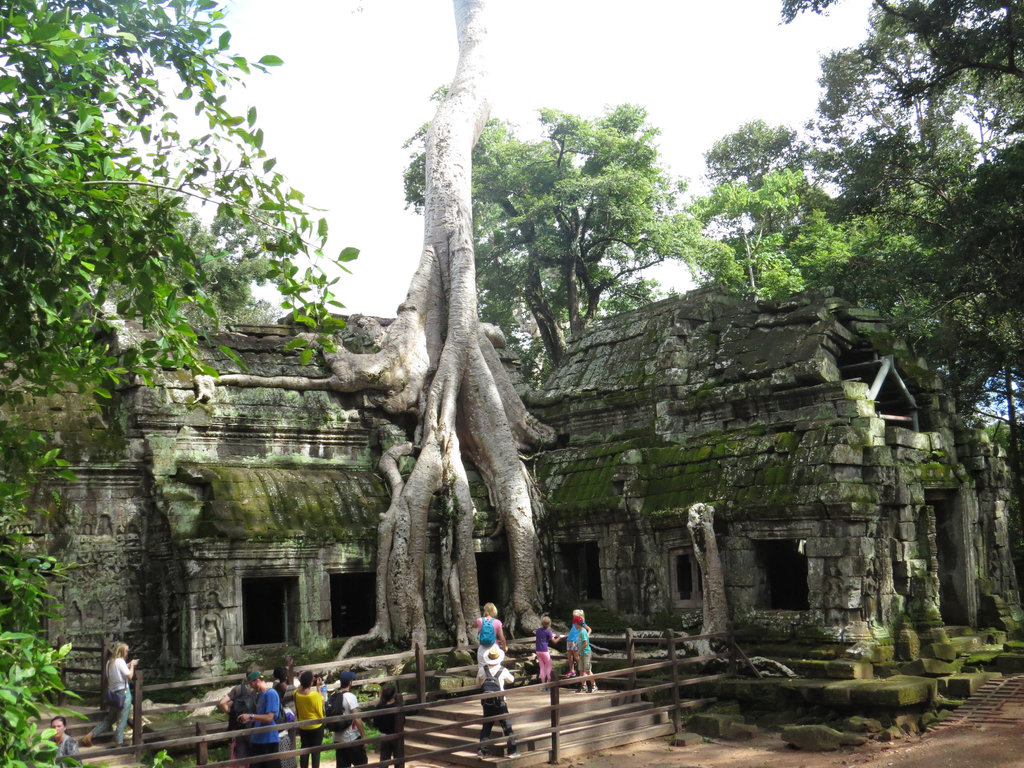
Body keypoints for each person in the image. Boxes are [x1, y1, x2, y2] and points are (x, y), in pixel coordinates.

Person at [80, 641, 137, 747]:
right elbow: (129, 676)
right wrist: (132, 665)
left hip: (113, 694)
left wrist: (128, 664)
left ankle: (90, 735)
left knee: (110, 719)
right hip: (123, 694)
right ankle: (118, 743)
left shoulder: (110, 662)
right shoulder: (120, 661)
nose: (127, 653)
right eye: (126, 651)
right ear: (122, 651)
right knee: (122, 719)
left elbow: (119, 670)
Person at [476, 645, 518, 758]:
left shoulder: (482, 669)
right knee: (507, 725)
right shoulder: (503, 670)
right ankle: (512, 751)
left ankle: (483, 750)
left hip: (487, 702)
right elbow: (511, 680)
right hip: (500, 702)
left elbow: (478, 683)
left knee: (487, 726)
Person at [218, 668, 261, 767]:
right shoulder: (258, 689)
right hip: (254, 726)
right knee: (254, 756)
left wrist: (230, 712)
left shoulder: (237, 689)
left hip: (239, 727)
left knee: (240, 756)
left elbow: (222, 703)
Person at [239, 671, 281, 768]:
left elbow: (269, 717)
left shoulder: (271, 694)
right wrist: (249, 719)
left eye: (251, 683)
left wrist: (251, 716)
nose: (251, 686)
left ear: (257, 681)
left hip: (269, 739)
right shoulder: (260, 695)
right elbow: (261, 716)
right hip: (257, 739)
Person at [332, 670, 366, 767]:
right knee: (361, 763)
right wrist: (363, 736)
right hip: (351, 737)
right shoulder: (350, 697)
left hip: (338, 738)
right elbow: (356, 718)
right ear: (350, 682)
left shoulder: (334, 696)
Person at [294, 671, 325, 768]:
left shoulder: (296, 694)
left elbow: (300, 687)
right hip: (316, 726)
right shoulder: (314, 695)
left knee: (304, 751)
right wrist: (318, 687)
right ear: (311, 683)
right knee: (315, 752)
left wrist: (305, 676)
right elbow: (321, 704)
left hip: (303, 726)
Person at [372, 683, 402, 768]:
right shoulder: (397, 706)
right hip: (396, 736)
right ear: (393, 695)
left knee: (384, 760)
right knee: (398, 759)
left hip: (384, 735)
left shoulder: (379, 707)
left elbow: (376, 723)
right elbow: (402, 721)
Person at [473, 602, 507, 672]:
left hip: (482, 648)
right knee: (495, 669)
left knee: (482, 670)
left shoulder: (479, 620)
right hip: (494, 648)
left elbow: (473, 625)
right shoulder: (497, 622)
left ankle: (483, 682)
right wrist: (504, 648)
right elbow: (502, 638)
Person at [534, 616, 560, 683]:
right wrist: (560, 637)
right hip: (544, 651)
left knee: (542, 668)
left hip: (538, 651)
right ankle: (549, 682)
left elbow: (542, 637)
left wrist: (551, 636)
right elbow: (554, 641)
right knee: (548, 666)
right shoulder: (548, 632)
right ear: (549, 624)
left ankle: (543, 684)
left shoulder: (538, 630)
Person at [574, 615, 597, 693]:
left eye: (574, 623)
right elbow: (580, 642)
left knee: (587, 669)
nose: (574, 625)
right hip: (581, 653)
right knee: (581, 669)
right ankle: (584, 686)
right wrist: (576, 647)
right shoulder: (579, 631)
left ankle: (594, 685)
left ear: (577, 624)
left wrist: (578, 651)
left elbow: (585, 643)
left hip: (586, 652)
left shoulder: (583, 631)